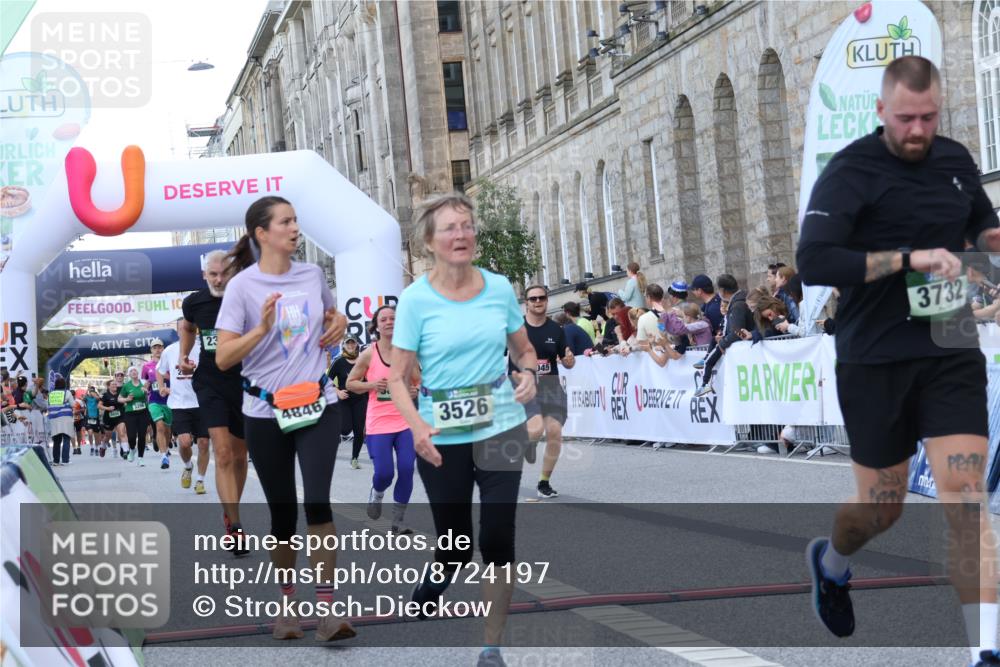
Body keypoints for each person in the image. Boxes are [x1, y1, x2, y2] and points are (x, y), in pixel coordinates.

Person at [797, 56, 1000, 666]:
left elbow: (983, 232)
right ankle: (833, 565)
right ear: (881, 110)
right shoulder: (851, 171)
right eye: (906, 118)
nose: (918, 130)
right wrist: (909, 259)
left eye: (929, 118)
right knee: (880, 507)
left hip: (947, 343)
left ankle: (985, 649)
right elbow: (815, 260)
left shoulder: (955, 161)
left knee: (966, 494)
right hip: (874, 357)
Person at [387, 192, 537, 667]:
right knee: (456, 545)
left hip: (500, 426)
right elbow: (397, 377)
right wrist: (417, 428)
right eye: (450, 228)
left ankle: (492, 645)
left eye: (467, 225)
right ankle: (432, 586)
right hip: (441, 436)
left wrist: (528, 373)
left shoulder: (498, 288)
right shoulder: (415, 300)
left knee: (497, 539)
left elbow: (524, 349)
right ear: (429, 241)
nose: (462, 235)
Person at [215, 195, 354, 642]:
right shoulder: (242, 287)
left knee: (317, 502)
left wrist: (339, 323)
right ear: (262, 233)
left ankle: (328, 613)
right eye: (286, 222)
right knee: (282, 514)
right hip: (264, 411)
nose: (295, 228)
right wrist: (260, 328)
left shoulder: (312, 275)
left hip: (317, 403)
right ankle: (288, 606)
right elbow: (223, 358)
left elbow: (330, 317)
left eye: (296, 220)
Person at [180, 249, 250, 553]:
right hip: (210, 383)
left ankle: (231, 509)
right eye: (213, 274)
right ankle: (235, 525)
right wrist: (184, 355)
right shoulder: (194, 302)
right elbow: (188, 326)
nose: (219, 280)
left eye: (225, 274)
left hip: (245, 383)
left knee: (239, 457)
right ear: (204, 275)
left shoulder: (249, 297)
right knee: (222, 453)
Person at [346, 305, 420, 533]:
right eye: (384, 319)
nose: (389, 322)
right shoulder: (369, 354)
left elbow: (419, 381)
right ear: (376, 326)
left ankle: (398, 520)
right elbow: (350, 383)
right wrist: (371, 385)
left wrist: (415, 390)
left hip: (405, 421)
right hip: (379, 423)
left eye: (393, 318)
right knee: (385, 473)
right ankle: (377, 494)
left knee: (406, 468)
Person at [518, 285, 574, 498]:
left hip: (551, 386)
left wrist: (569, 361)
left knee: (554, 433)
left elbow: (567, 361)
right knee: (535, 430)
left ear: (547, 301)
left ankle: (544, 482)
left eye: (541, 298)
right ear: (526, 303)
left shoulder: (556, 330)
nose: (538, 302)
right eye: (533, 299)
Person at [158, 328, 210, 494]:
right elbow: (160, 370)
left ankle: (200, 480)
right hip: (179, 403)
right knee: (185, 442)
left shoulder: (203, 348)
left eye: (190, 329)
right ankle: (188, 466)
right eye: (183, 329)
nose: (187, 332)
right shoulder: (170, 350)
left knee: (204, 443)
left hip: (202, 403)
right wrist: (161, 387)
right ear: (178, 332)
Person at [694, 274, 752, 398]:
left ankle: (705, 384)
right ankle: (705, 383)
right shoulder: (738, 302)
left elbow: (737, 331)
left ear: (722, 290)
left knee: (709, 361)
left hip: (739, 348)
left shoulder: (737, 305)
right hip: (736, 346)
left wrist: (723, 343)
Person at [330, 336, 367, 469]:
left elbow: (371, 377)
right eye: (348, 343)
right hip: (344, 400)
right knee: (345, 429)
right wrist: (338, 392)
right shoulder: (338, 362)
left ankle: (354, 458)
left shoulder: (363, 360)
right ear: (344, 345)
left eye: (353, 343)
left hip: (360, 400)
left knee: (359, 430)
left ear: (357, 344)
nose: (350, 346)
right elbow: (327, 381)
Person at [142, 338, 173, 470]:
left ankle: (166, 445)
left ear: (163, 348)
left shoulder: (170, 362)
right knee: (159, 426)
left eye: (159, 347)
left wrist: (165, 376)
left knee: (167, 429)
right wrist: (145, 387)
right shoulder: (146, 366)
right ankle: (163, 456)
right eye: (154, 347)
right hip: (154, 400)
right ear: (151, 350)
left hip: (169, 400)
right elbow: (144, 382)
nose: (157, 350)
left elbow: (176, 378)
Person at [118, 366, 149, 466]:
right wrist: (127, 399)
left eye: (135, 370)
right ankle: (132, 449)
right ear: (129, 374)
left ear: (138, 372)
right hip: (130, 413)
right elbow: (119, 399)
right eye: (131, 371)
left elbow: (150, 395)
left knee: (142, 436)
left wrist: (147, 392)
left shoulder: (144, 383)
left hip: (143, 412)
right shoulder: (126, 386)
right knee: (131, 436)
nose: (134, 372)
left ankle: (140, 458)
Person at [47, 377, 75, 466]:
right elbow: (73, 404)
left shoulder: (51, 394)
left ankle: (56, 461)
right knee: (66, 438)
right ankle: (65, 460)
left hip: (54, 419)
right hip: (65, 418)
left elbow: (48, 405)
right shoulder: (67, 392)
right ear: (64, 384)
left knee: (56, 441)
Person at [100, 378, 124, 458]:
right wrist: (108, 408)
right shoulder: (105, 395)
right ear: (109, 386)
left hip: (120, 417)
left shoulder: (120, 394)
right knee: (108, 435)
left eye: (115, 384)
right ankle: (103, 447)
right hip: (109, 418)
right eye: (113, 384)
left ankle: (123, 449)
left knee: (121, 432)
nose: (115, 386)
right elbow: (99, 406)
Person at [84, 385, 102, 455]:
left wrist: (94, 394)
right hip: (89, 418)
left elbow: (99, 398)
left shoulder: (96, 398)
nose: (91, 393)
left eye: (92, 391)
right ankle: (91, 447)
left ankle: (96, 448)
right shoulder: (87, 398)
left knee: (96, 435)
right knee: (90, 433)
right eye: (90, 391)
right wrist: (87, 390)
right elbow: (83, 398)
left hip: (96, 418)